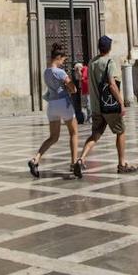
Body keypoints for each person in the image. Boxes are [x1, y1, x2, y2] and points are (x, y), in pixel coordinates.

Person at [75, 36, 135, 174]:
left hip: (96, 107)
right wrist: (121, 103)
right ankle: (122, 164)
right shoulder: (109, 62)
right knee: (120, 132)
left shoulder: (91, 62)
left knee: (95, 134)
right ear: (109, 47)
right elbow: (112, 85)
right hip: (109, 107)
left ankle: (81, 159)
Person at [29, 44, 81, 179]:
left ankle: (35, 159)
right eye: (63, 59)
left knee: (53, 137)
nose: (63, 62)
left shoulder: (46, 72)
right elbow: (73, 89)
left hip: (52, 106)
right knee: (74, 132)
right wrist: (72, 84)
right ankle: (74, 163)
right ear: (58, 58)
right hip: (63, 104)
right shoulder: (60, 72)